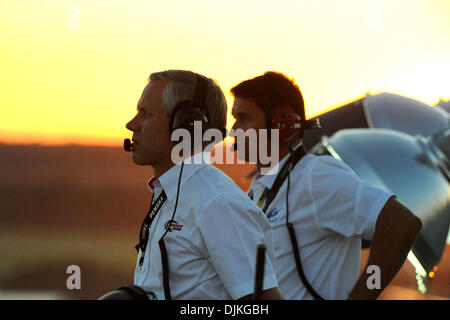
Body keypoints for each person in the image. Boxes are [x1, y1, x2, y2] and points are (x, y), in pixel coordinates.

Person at [230, 71, 423, 300]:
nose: (233, 130)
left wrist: (363, 295)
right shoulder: (258, 190)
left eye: (244, 118)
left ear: (281, 124)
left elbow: (402, 224)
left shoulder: (316, 176)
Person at [125, 69, 284, 300]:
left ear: (186, 126)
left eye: (145, 114)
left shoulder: (218, 203)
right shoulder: (172, 195)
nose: (131, 124)